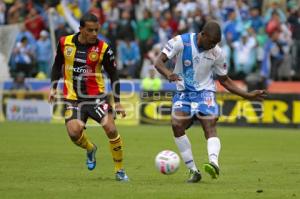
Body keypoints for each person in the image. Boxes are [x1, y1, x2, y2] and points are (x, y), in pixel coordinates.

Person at [154, 21, 267, 183]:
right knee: (176, 124)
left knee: (210, 123)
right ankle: (193, 171)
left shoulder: (217, 52)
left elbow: (225, 80)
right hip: (183, 92)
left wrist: (247, 95)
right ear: (203, 34)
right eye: (211, 42)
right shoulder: (180, 41)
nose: (213, 46)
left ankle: (214, 163)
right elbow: (158, 62)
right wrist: (168, 73)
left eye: (216, 43)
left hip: (205, 93)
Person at [49, 13, 129, 181]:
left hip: (97, 97)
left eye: (96, 30)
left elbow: (114, 74)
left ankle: (120, 171)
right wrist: (53, 87)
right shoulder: (65, 43)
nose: (94, 34)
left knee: (111, 129)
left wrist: (118, 102)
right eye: (90, 30)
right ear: (80, 29)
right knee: (74, 133)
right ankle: (90, 148)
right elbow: (57, 65)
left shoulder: (104, 48)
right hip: (73, 98)